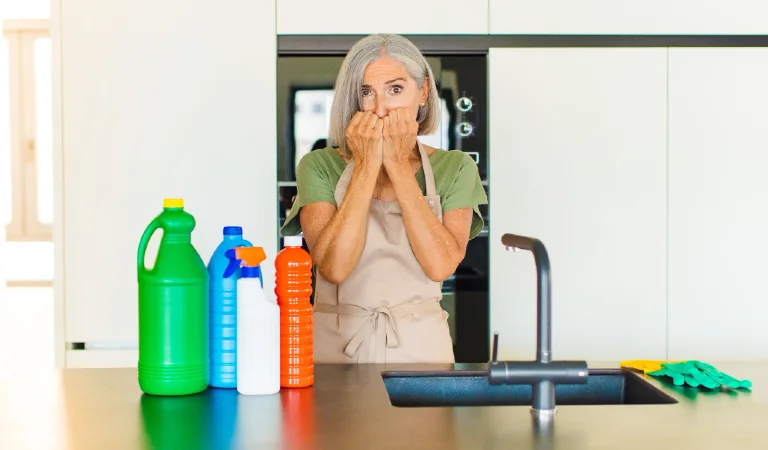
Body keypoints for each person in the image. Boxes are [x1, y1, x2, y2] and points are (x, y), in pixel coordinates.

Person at [280, 33, 488, 364]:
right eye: (367, 92)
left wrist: (396, 164)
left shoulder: (455, 168)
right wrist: (365, 164)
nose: (380, 108)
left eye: (395, 89)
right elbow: (333, 267)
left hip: (423, 354)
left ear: (421, 92)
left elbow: (440, 264)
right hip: (334, 354)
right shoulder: (318, 165)